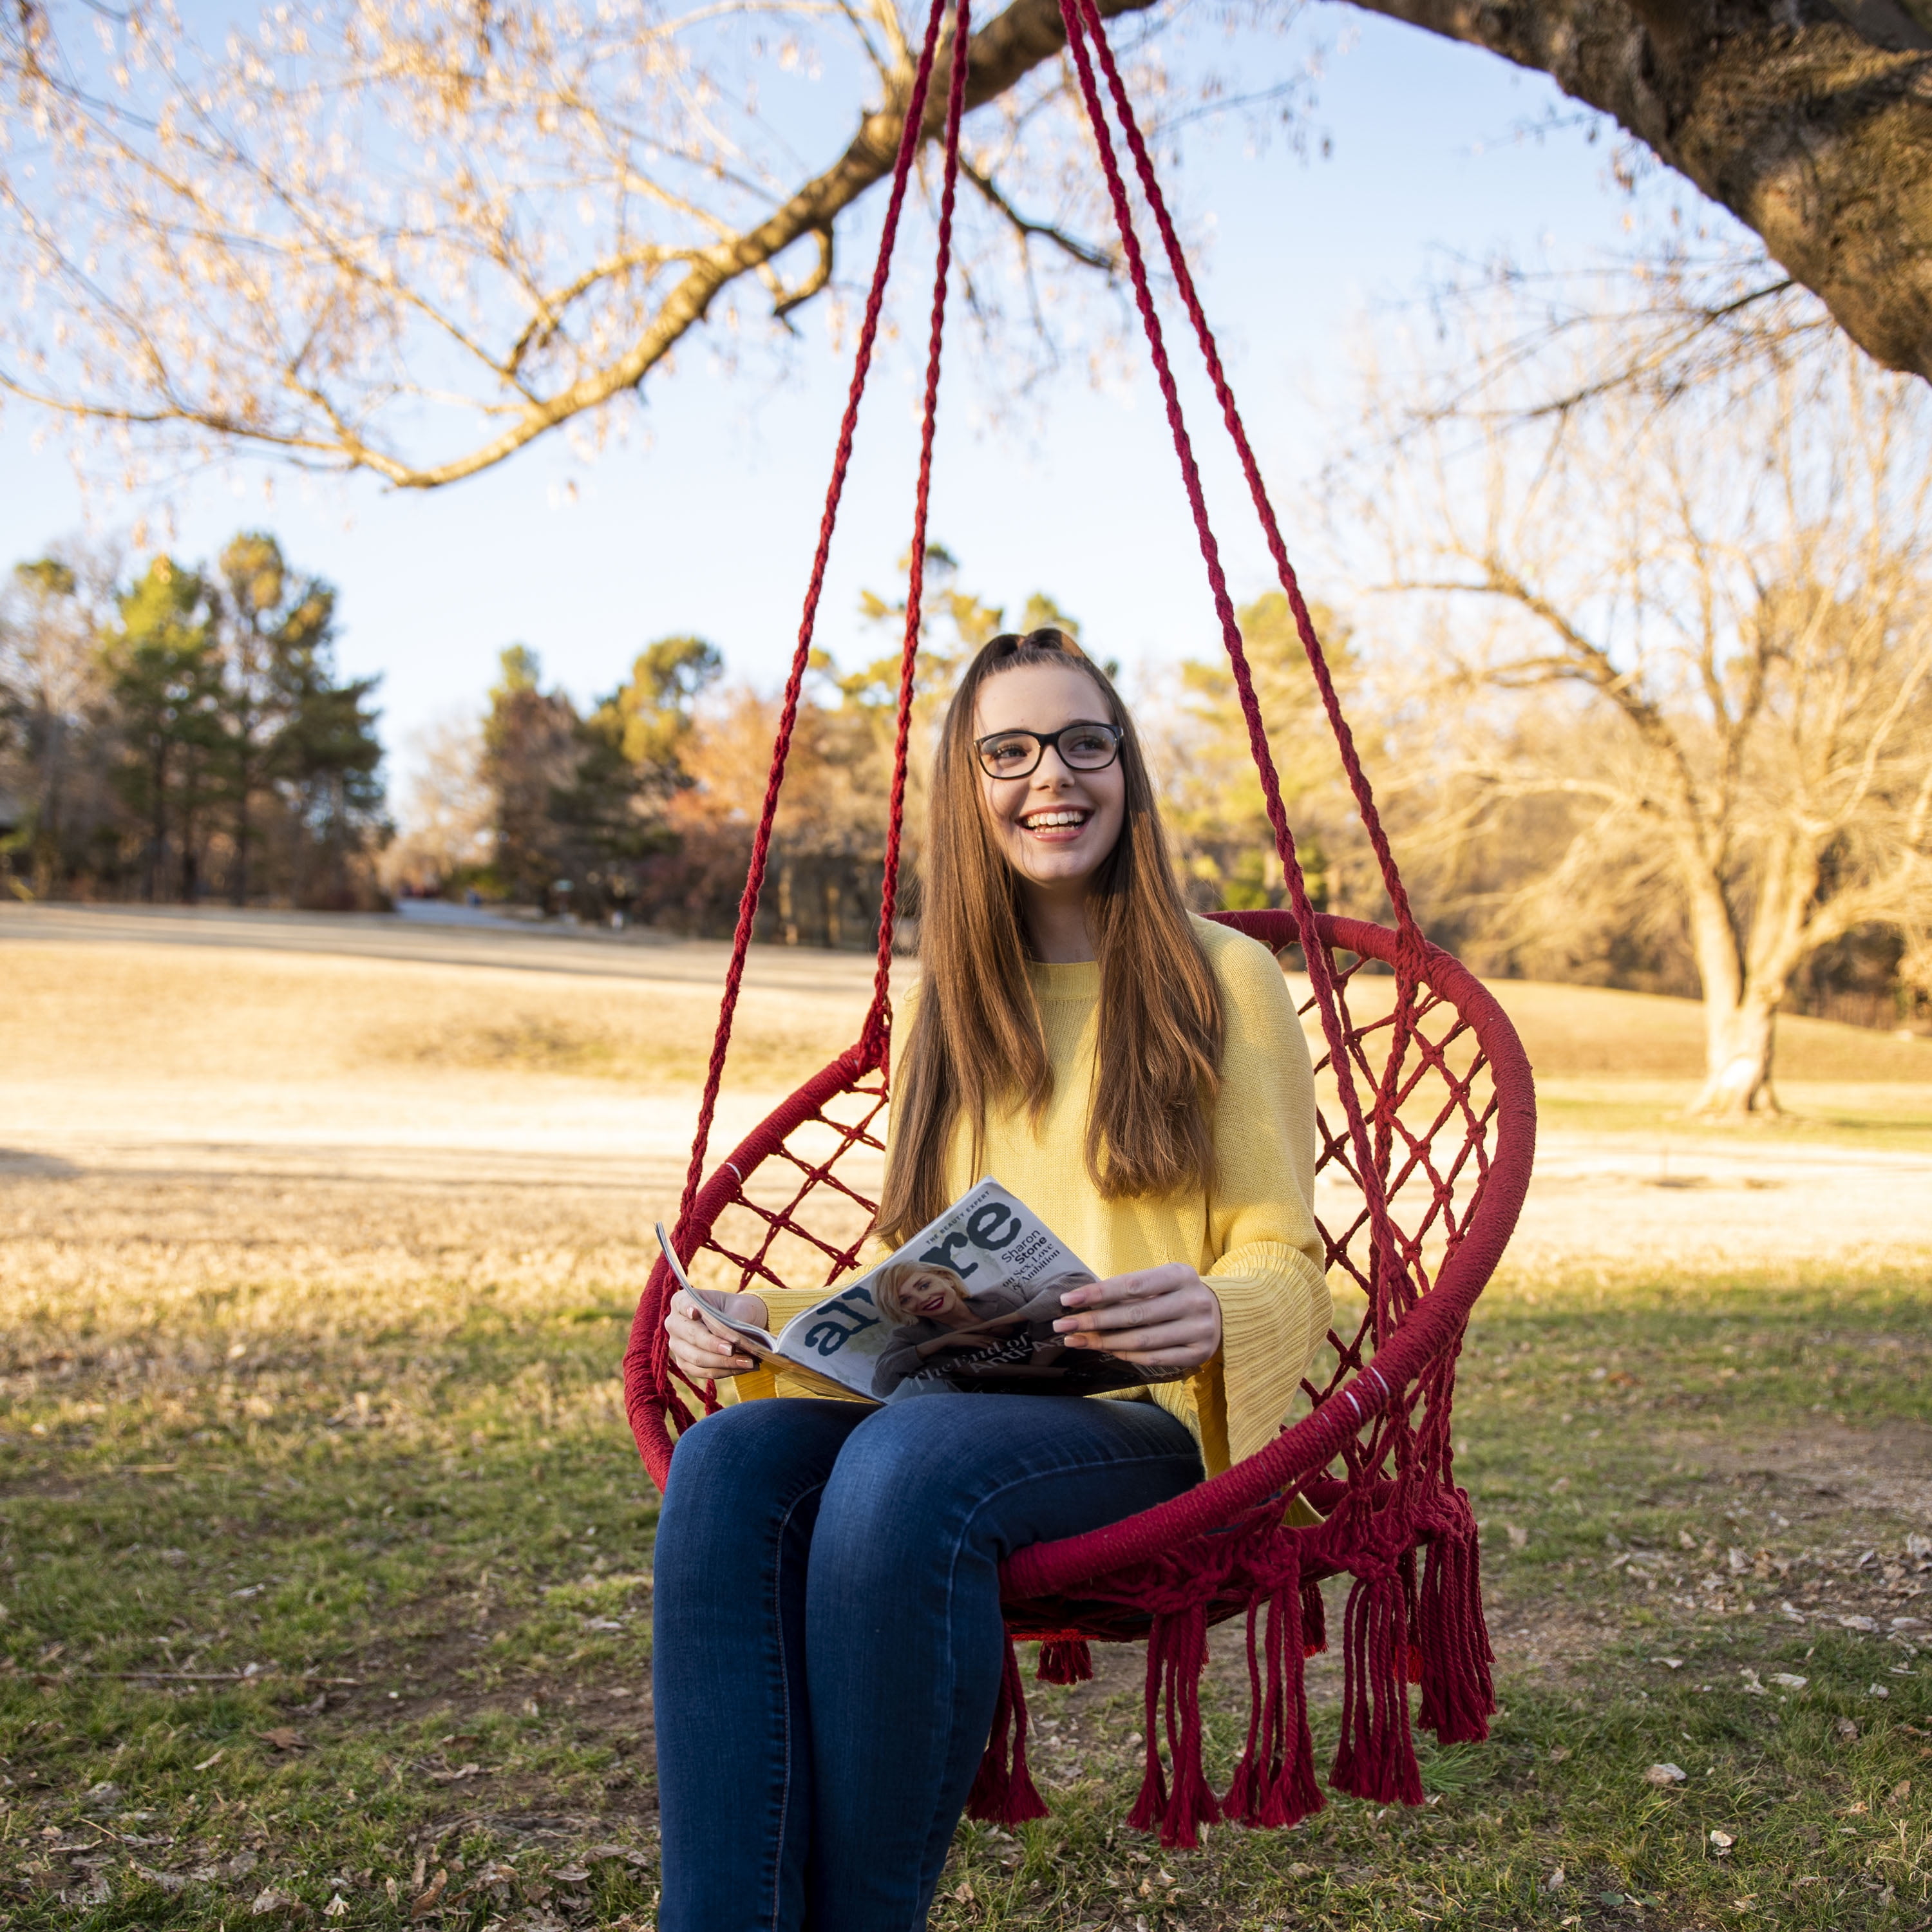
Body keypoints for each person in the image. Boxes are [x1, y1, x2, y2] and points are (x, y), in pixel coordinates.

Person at [651, 629, 1333, 1930]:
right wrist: (754, 1325)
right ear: (969, 789)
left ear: (1126, 767)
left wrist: (1212, 1309)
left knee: (910, 1467)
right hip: (963, 1405)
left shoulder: (1224, 979)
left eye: (1086, 743)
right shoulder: (954, 1006)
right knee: (730, 1469)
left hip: (1155, 1426)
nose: (1052, 778)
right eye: (1008, 752)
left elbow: (1281, 1254)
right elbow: (917, 1287)